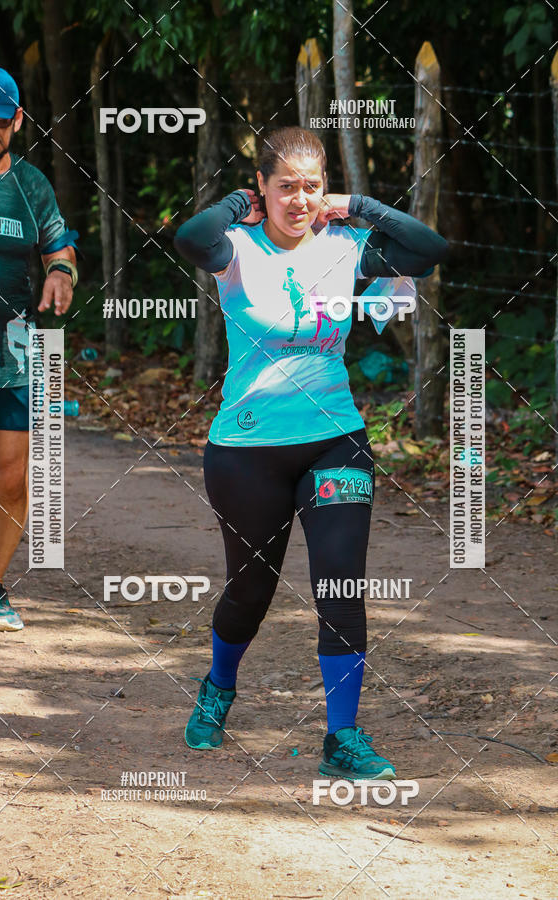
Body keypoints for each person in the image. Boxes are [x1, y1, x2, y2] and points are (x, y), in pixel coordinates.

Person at [174, 126, 448, 781]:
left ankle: (342, 737)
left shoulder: (347, 245)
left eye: (312, 186)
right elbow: (189, 237)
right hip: (246, 449)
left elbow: (429, 251)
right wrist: (237, 206)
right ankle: (218, 687)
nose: (300, 199)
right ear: (262, 188)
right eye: (285, 186)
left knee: (340, 582)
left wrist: (359, 206)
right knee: (250, 590)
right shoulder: (236, 247)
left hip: (335, 441)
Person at [0, 64, 78, 632]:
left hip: (18, 350)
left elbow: (60, 247)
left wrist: (61, 275)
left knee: (14, 477)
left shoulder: (32, 185)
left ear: (17, 120)